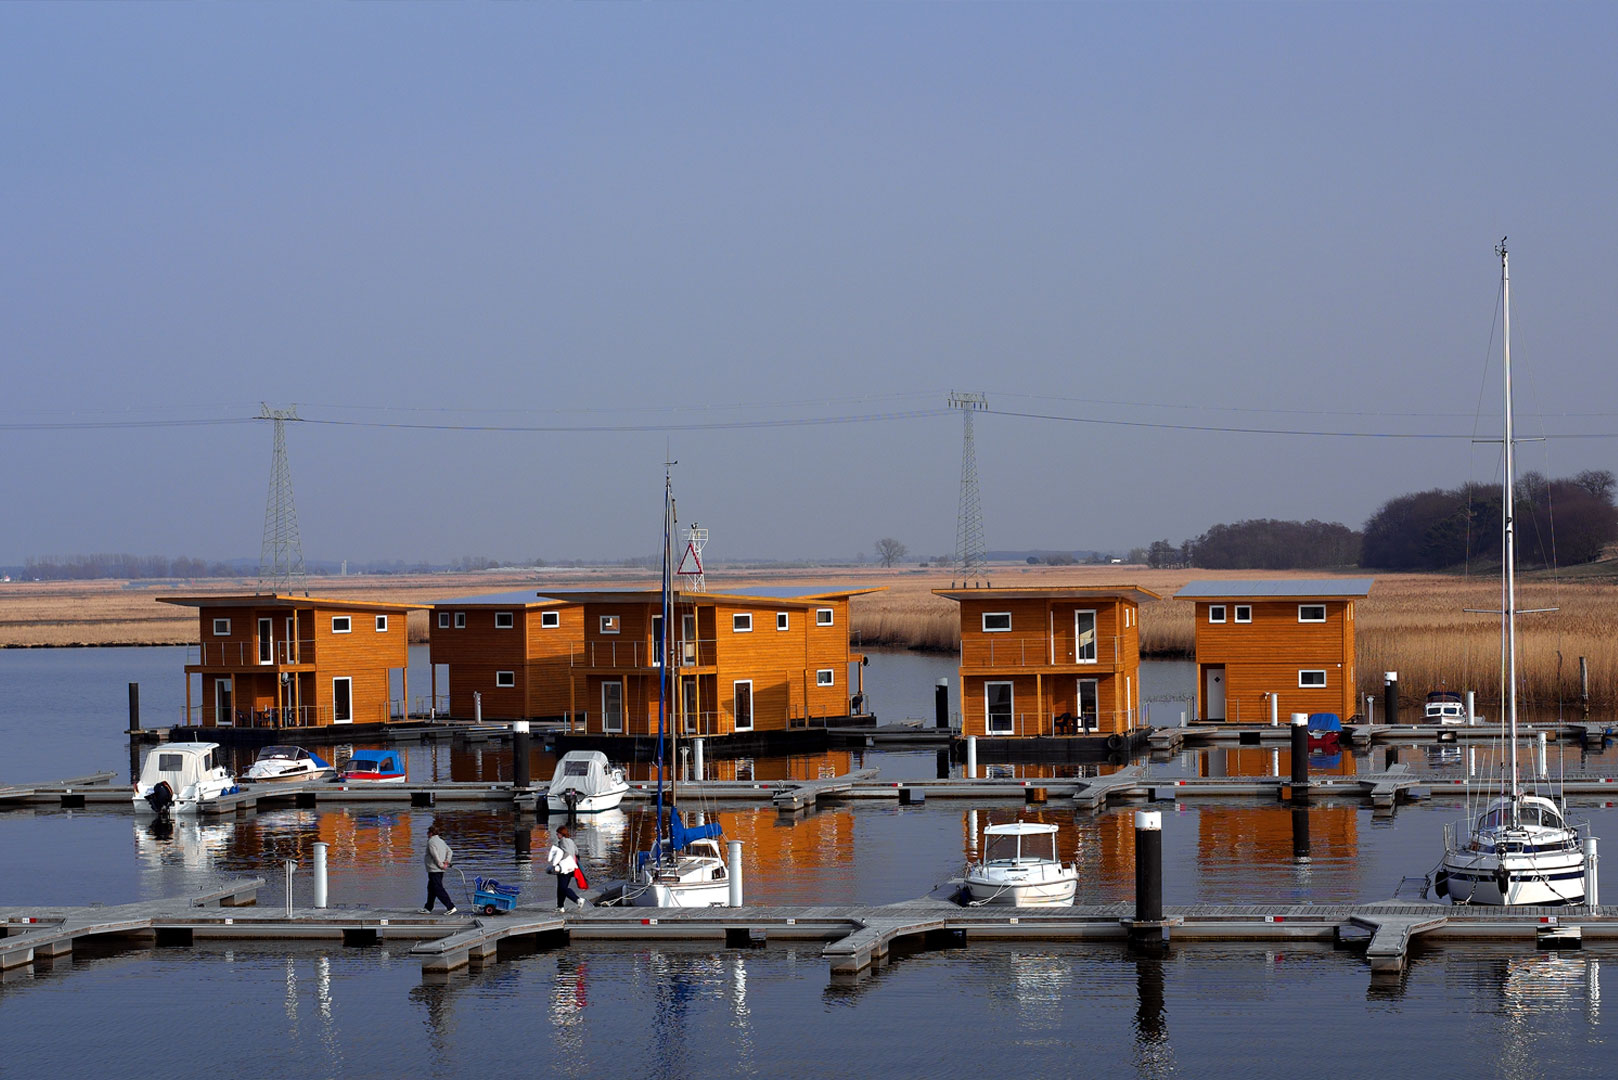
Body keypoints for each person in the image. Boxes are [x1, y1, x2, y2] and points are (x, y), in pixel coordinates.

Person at [421, 823, 458, 915]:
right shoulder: (441, 841)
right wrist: (447, 862)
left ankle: (451, 907)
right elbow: (450, 851)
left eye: (427, 833)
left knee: (438, 889)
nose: (427, 835)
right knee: (431, 888)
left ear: (431, 833)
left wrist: (441, 865)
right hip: (439, 869)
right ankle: (428, 908)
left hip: (435, 869)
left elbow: (435, 856)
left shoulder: (431, 842)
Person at [547, 825, 583, 910]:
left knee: (562, 888)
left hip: (564, 868)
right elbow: (577, 853)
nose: (556, 835)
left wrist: (556, 861)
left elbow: (565, 853)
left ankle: (577, 899)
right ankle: (560, 906)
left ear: (561, 834)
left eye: (557, 833)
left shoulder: (563, 842)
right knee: (561, 888)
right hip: (572, 868)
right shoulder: (571, 841)